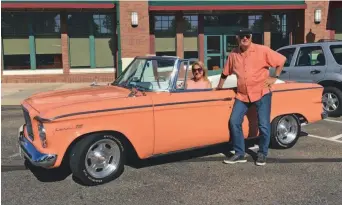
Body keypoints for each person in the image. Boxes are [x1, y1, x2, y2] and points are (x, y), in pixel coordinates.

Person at [216, 28, 286, 166]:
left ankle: (262, 153)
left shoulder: (262, 50)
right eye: (242, 36)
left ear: (251, 37)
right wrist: (219, 88)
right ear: (238, 38)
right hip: (242, 95)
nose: (245, 38)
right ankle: (239, 153)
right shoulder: (233, 54)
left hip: (262, 93)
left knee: (264, 125)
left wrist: (274, 77)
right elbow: (225, 73)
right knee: (234, 121)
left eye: (247, 36)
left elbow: (281, 60)